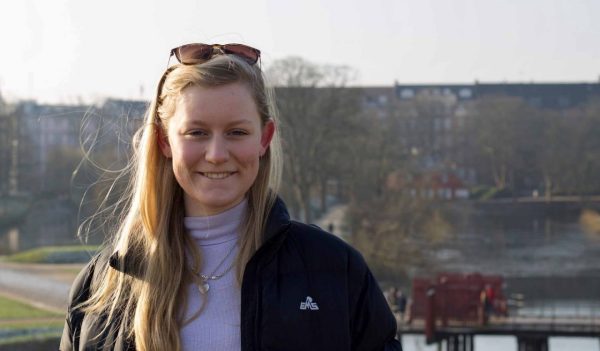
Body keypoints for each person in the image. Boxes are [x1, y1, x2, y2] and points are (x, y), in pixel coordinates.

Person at [60, 43, 401, 351]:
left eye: (237, 132)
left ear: (264, 138)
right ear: (165, 141)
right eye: (197, 133)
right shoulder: (102, 286)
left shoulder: (334, 270)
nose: (217, 154)